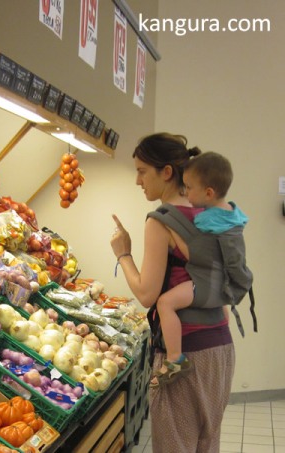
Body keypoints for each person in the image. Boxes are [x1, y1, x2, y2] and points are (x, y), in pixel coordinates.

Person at [110, 133, 235, 452]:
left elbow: (147, 294)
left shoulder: (161, 220)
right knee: (208, 442)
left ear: (166, 172)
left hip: (184, 354)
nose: (138, 180)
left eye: (142, 171)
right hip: (220, 346)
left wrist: (123, 254)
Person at [151, 151, 248, 387]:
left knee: (165, 303)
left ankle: (175, 359)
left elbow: (194, 252)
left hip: (203, 283)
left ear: (209, 192)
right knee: (217, 309)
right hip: (219, 285)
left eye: (189, 187)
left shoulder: (206, 220)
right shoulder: (233, 215)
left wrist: (169, 225)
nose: (186, 194)